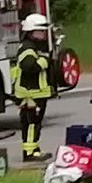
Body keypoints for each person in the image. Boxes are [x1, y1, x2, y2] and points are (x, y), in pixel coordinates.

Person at [12, 13, 56, 162]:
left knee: (35, 123)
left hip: (36, 93)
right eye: (41, 31)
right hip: (30, 94)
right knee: (31, 123)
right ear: (32, 32)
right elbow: (28, 66)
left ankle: (34, 149)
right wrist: (44, 61)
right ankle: (30, 153)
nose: (44, 34)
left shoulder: (35, 46)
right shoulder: (27, 48)